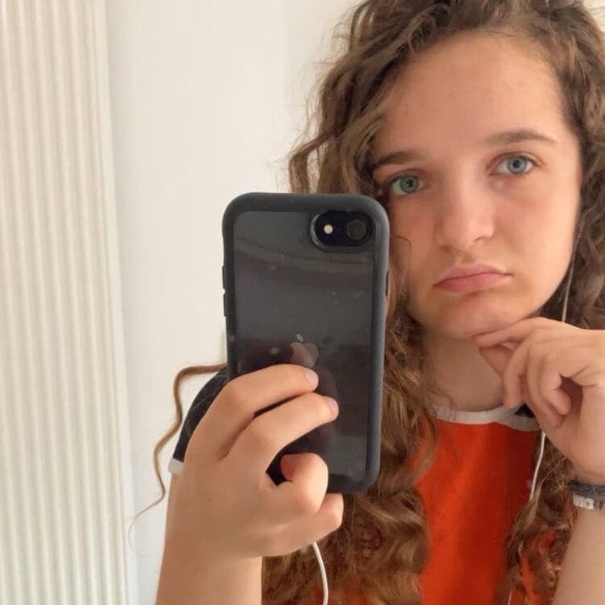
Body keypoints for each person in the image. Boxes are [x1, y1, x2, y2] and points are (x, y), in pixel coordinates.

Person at [153, 1, 605, 603]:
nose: (461, 230)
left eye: (514, 164)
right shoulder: (263, 419)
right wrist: (213, 547)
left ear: (588, 176)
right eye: (408, 181)